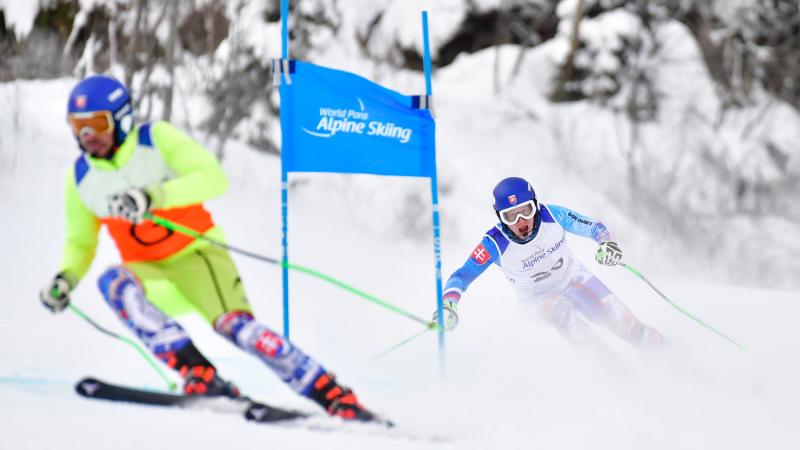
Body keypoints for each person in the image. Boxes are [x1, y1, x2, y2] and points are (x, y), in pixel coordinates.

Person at [39, 74, 375, 421]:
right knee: (114, 283)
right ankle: (200, 373)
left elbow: (213, 177)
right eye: (78, 126)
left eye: (97, 124)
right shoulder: (80, 178)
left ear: (122, 118)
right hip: (150, 273)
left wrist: (154, 196)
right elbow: (81, 242)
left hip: (198, 257)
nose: (87, 136)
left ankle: (332, 394)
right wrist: (65, 279)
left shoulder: (156, 139)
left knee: (237, 328)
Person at [433, 176, 664, 349]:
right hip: (537, 299)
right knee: (561, 310)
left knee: (630, 327)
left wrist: (606, 244)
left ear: (536, 205)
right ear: (500, 217)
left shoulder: (552, 215)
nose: (521, 221)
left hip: (575, 279)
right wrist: (448, 305)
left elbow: (594, 227)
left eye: (526, 211)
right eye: (510, 216)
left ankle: (675, 360)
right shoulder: (494, 243)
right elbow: (462, 276)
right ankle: (617, 377)